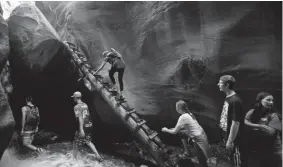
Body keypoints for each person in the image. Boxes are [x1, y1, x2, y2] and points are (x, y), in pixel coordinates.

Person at [161, 100, 211, 167]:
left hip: (199, 138)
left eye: (176, 107)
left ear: (178, 108)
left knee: (206, 159)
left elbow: (174, 132)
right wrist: (174, 129)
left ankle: (204, 163)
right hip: (201, 135)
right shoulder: (190, 114)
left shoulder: (182, 117)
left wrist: (166, 129)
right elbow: (183, 127)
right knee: (181, 133)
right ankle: (187, 153)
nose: (176, 108)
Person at [244, 92, 281, 167]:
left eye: (272, 100)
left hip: (273, 150)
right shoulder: (253, 111)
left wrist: (253, 128)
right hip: (258, 148)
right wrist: (259, 126)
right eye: (268, 100)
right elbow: (245, 121)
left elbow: (270, 133)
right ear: (260, 100)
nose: (271, 102)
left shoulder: (274, 115)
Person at [217, 75, 247, 167]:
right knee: (231, 161)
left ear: (227, 85)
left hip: (235, 140)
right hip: (228, 135)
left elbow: (236, 123)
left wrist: (230, 141)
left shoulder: (235, 101)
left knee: (236, 162)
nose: (218, 84)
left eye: (220, 83)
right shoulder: (229, 97)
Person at [71, 91, 102, 161]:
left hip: (83, 126)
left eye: (74, 97)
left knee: (75, 142)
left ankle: (74, 159)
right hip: (89, 125)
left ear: (76, 98)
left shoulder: (76, 107)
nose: (73, 99)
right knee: (88, 141)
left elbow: (80, 118)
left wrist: (81, 129)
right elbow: (87, 115)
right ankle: (98, 155)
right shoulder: (85, 105)